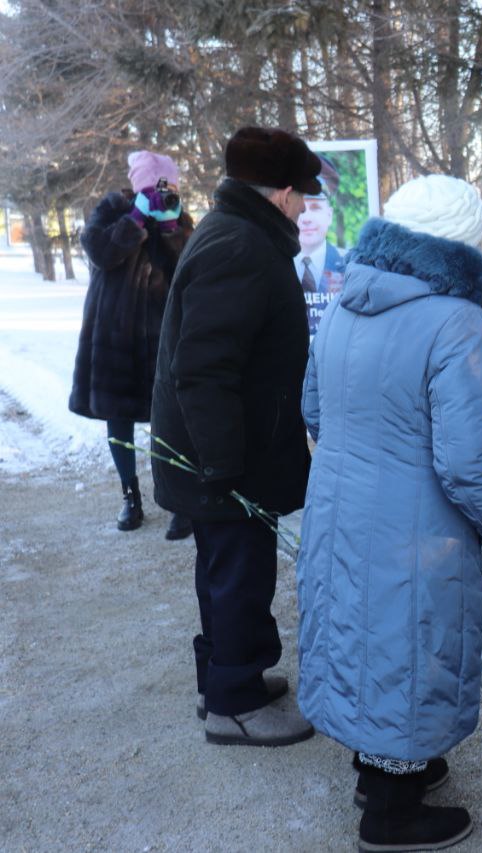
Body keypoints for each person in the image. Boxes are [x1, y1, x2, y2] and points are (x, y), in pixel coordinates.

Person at [296, 174, 482, 852]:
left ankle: (380, 773)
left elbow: (314, 409)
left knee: (361, 635)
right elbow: (467, 460)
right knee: (410, 642)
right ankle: (391, 815)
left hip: (340, 509)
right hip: (413, 525)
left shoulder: (346, 303)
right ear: (461, 245)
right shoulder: (454, 318)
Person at [150, 126, 321, 746]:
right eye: (302, 195)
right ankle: (235, 702)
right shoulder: (239, 248)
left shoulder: (237, 235)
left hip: (225, 455)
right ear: (279, 194)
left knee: (227, 571)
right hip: (225, 461)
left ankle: (223, 679)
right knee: (239, 575)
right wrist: (224, 467)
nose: (305, 207)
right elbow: (202, 369)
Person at [69, 151, 194, 540]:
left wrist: (172, 228)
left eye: (170, 186)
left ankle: (178, 503)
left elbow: (191, 267)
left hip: (163, 338)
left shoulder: (177, 217)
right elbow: (100, 252)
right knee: (119, 422)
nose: (165, 192)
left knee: (169, 424)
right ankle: (130, 497)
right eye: (159, 185)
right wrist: (136, 219)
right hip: (114, 337)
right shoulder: (111, 209)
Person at [294, 154, 346, 335]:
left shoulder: (350, 266)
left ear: (329, 215)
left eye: (316, 208)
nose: (307, 218)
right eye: (301, 209)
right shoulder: (270, 266)